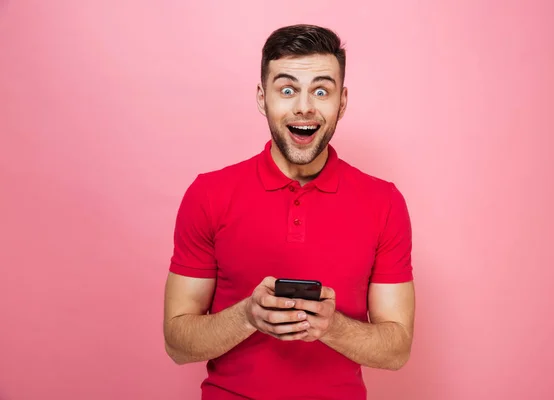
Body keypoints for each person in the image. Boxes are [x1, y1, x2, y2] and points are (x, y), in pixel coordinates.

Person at [163, 24, 416, 400]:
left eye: (320, 90)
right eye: (287, 90)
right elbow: (177, 344)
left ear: (341, 102)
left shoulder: (385, 202)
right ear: (262, 98)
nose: (304, 106)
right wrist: (248, 315)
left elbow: (397, 350)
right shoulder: (208, 195)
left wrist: (331, 327)